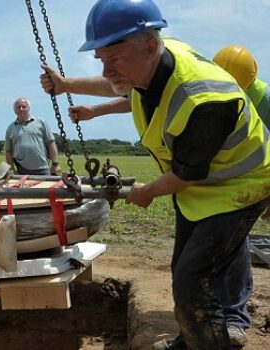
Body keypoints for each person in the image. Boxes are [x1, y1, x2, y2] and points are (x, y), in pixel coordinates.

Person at [40, 1, 270, 349]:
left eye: (115, 59)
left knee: (193, 279)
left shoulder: (202, 98)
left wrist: (147, 192)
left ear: (150, 46)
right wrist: (66, 84)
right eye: (102, 59)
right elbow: (119, 88)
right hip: (206, 184)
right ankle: (191, 338)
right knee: (184, 269)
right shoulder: (151, 63)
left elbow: (185, 174)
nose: (107, 70)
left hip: (241, 184)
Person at [5, 98, 60, 175]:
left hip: (42, 169)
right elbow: (8, 150)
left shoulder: (41, 122)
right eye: (18, 107)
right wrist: (11, 168)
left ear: (28, 109)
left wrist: (55, 164)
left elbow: (51, 143)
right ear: (15, 111)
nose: (21, 109)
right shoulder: (11, 128)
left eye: (24, 107)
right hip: (21, 170)